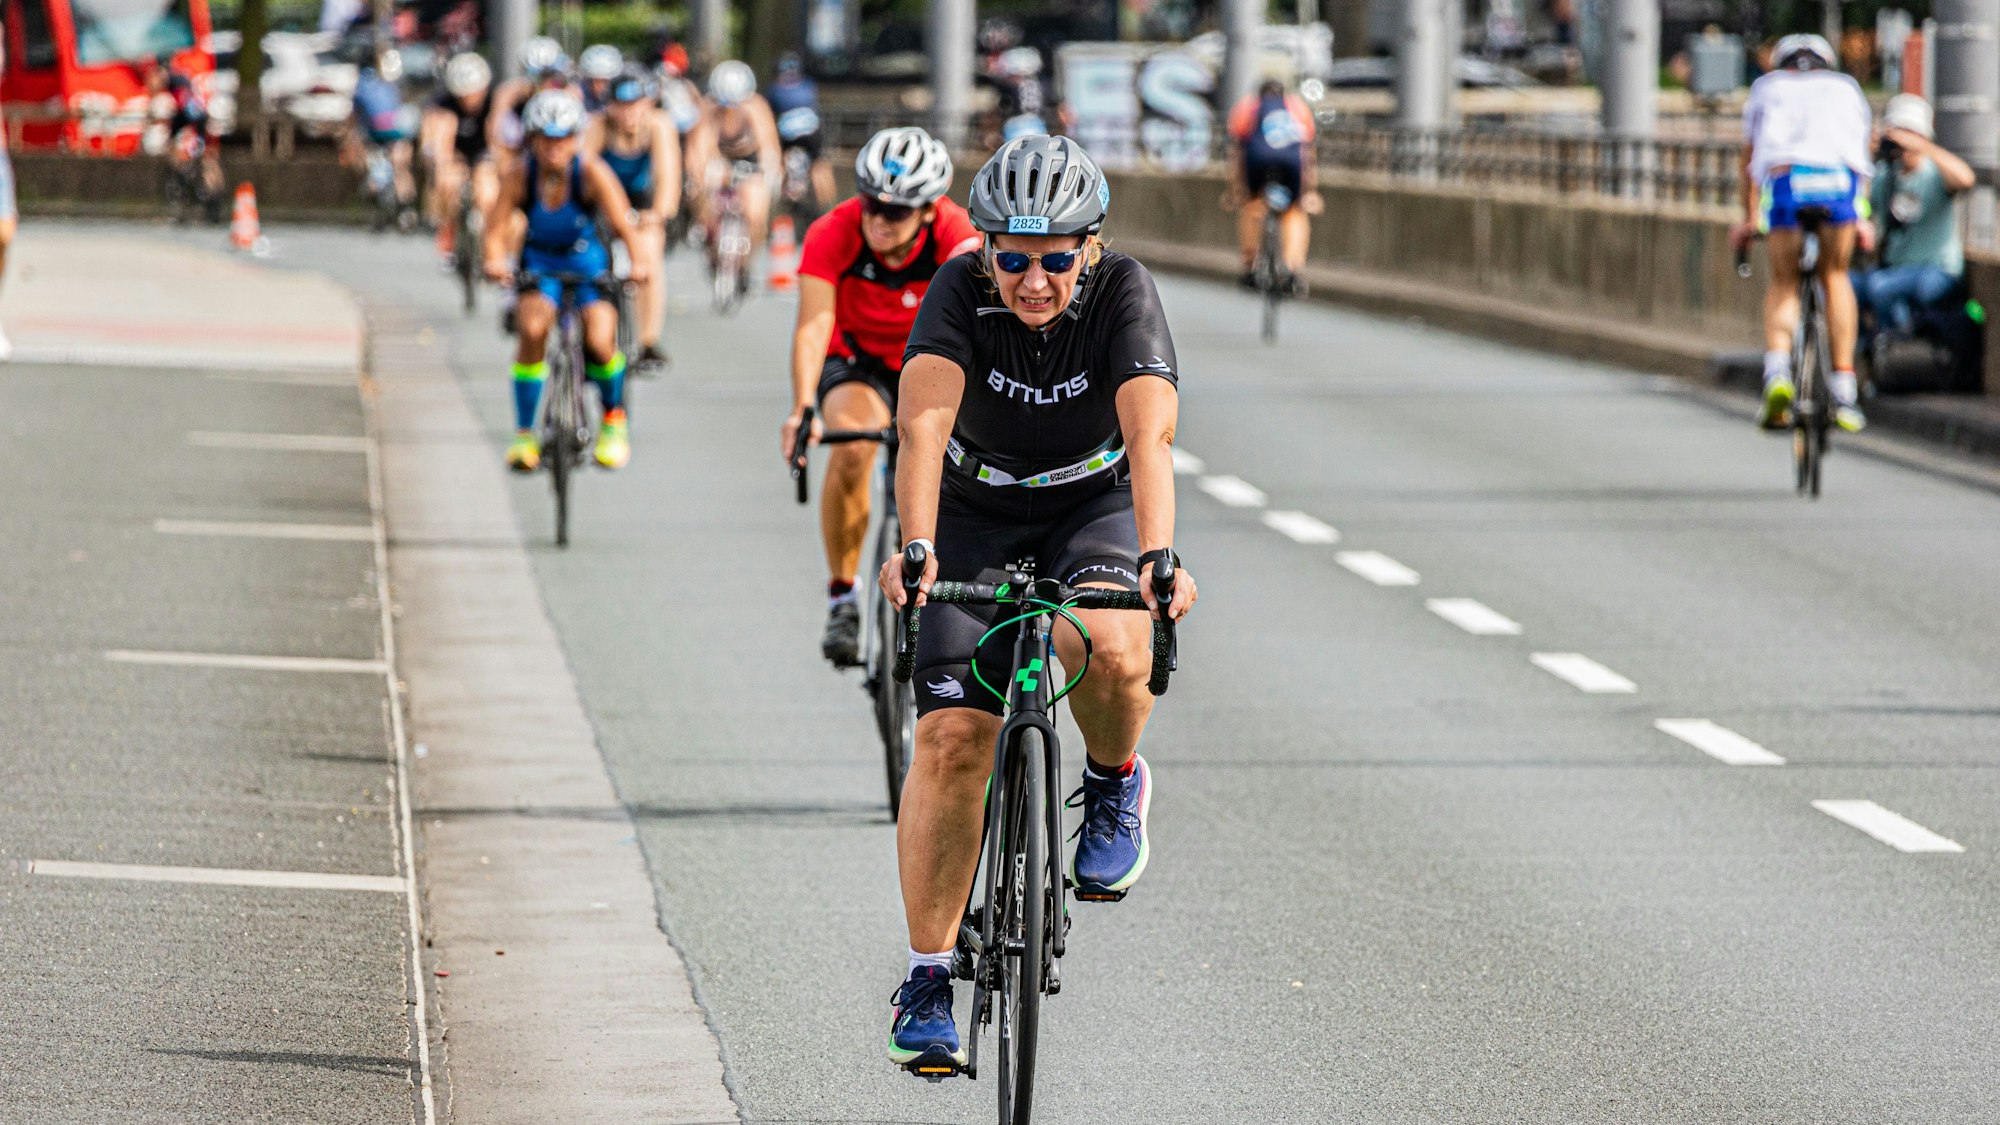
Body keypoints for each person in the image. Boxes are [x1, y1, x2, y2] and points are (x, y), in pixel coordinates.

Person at [877, 135, 1197, 1070]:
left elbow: (1152, 433)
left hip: (1089, 502)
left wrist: (1156, 555)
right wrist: (919, 544)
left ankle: (1112, 781)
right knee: (950, 738)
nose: (1033, 280)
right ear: (985, 248)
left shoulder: (1124, 291)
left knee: (1114, 639)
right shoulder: (957, 290)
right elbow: (923, 425)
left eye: (1057, 258)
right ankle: (929, 977)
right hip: (974, 507)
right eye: (1011, 258)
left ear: (1089, 248)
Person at [779, 127, 979, 667]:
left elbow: (984, 324)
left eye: (896, 212)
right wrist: (802, 408)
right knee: (851, 449)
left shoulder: (958, 236)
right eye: (871, 203)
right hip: (859, 358)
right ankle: (844, 595)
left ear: (929, 211)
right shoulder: (834, 230)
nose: (878, 220)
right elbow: (814, 324)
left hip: (934, 360)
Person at [482, 91, 649, 472]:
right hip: (539, 263)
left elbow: (624, 224)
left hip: (588, 263)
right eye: (545, 138)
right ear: (533, 140)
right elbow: (495, 228)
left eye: (563, 138)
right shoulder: (520, 175)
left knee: (599, 339)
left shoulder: (591, 172)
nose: (554, 147)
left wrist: (638, 264)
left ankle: (613, 420)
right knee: (532, 328)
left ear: (576, 138)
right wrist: (494, 260)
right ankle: (525, 433)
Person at [1731, 33, 1872, 433]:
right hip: (1837, 186)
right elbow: (1860, 158)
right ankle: (1844, 390)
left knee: (1785, 282)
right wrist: (1862, 217)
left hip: (1788, 183)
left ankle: (1777, 375)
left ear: (1782, 63)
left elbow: (1749, 161)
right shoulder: (1847, 89)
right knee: (1836, 275)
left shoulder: (1767, 88)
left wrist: (1748, 219)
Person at [1853, 93, 1976, 356]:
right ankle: (1863, 354)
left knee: (1882, 288)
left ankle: (1897, 348)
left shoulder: (1934, 173)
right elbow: (1858, 203)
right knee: (1848, 285)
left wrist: (1921, 146)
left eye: (1908, 134)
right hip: (1894, 269)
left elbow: (1966, 179)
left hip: (1937, 270)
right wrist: (1865, 157)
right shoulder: (1885, 175)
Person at [585, 65, 681, 375]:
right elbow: (583, 173)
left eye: (635, 104)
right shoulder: (598, 126)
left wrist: (660, 215)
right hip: (603, 203)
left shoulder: (659, 125)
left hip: (641, 205)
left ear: (648, 102)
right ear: (610, 106)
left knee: (649, 253)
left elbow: (668, 177)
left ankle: (647, 340)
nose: (628, 114)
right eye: (621, 106)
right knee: (590, 257)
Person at [1226, 78, 1323, 293]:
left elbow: (1238, 154)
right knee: (1295, 210)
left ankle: (1251, 265)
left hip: (1257, 160)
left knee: (1252, 205)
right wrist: (1310, 193)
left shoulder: (1246, 107)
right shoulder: (1298, 107)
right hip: (1291, 163)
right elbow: (1308, 154)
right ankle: (1292, 269)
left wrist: (1235, 190)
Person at [685, 60, 781, 254]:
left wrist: (770, 170)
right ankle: (704, 229)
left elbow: (768, 145)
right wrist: (698, 176)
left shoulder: (756, 107)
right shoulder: (708, 109)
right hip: (720, 161)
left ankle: (748, 256)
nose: (730, 109)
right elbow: (699, 148)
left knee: (756, 213)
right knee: (701, 187)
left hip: (750, 162)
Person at [421, 52, 500, 262]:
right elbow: (438, 140)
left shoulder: (494, 102)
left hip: (483, 154)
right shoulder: (443, 104)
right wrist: (440, 164)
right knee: (447, 182)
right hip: (455, 154)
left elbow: (497, 138)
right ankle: (448, 231)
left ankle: (489, 244)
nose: (468, 100)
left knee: (488, 193)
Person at [348, 54, 420, 222]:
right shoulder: (393, 81)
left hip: (375, 135)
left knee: (375, 168)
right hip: (397, 133)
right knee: (401, 168)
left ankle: (378, 203)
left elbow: (354, 118)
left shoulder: (360, 87)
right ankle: (406, 209)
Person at [145, 54, 224, 207]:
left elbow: (154, 87)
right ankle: (208, 186)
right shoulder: (181, 75)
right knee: (203, 155)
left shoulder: (170, 76)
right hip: (194, 117)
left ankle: (194, 181)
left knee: (186, 152)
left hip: (188, 118)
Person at [766, 53, 834, 216]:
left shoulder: (774, 89)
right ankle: (829, 208)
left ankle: (782, 206)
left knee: (780, 161)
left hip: (788, 134)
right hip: (812, 131)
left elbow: (769, 116)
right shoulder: (808, 85)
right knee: (819, 166)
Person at [487, 36, 570, 169]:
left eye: (553, 76)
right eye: (542, 77)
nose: (548, 83)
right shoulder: (510, 94)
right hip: (515, 161)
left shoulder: (568, 94)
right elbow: (494, 135)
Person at [576, 44, 624, 115]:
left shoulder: (625, 99)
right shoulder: (578, 95)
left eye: (605, 81)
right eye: (590, 82)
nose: (597, 87)